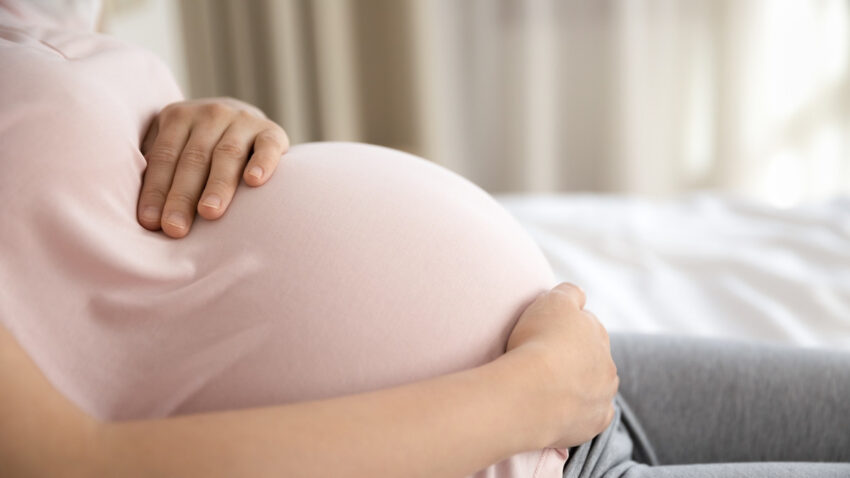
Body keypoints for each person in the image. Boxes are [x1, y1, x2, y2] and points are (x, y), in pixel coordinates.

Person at [1, 1, 848, 477]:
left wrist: (200, 124)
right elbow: (77, 467)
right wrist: (530, 395)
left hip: (573, 380)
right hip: (521, 414)